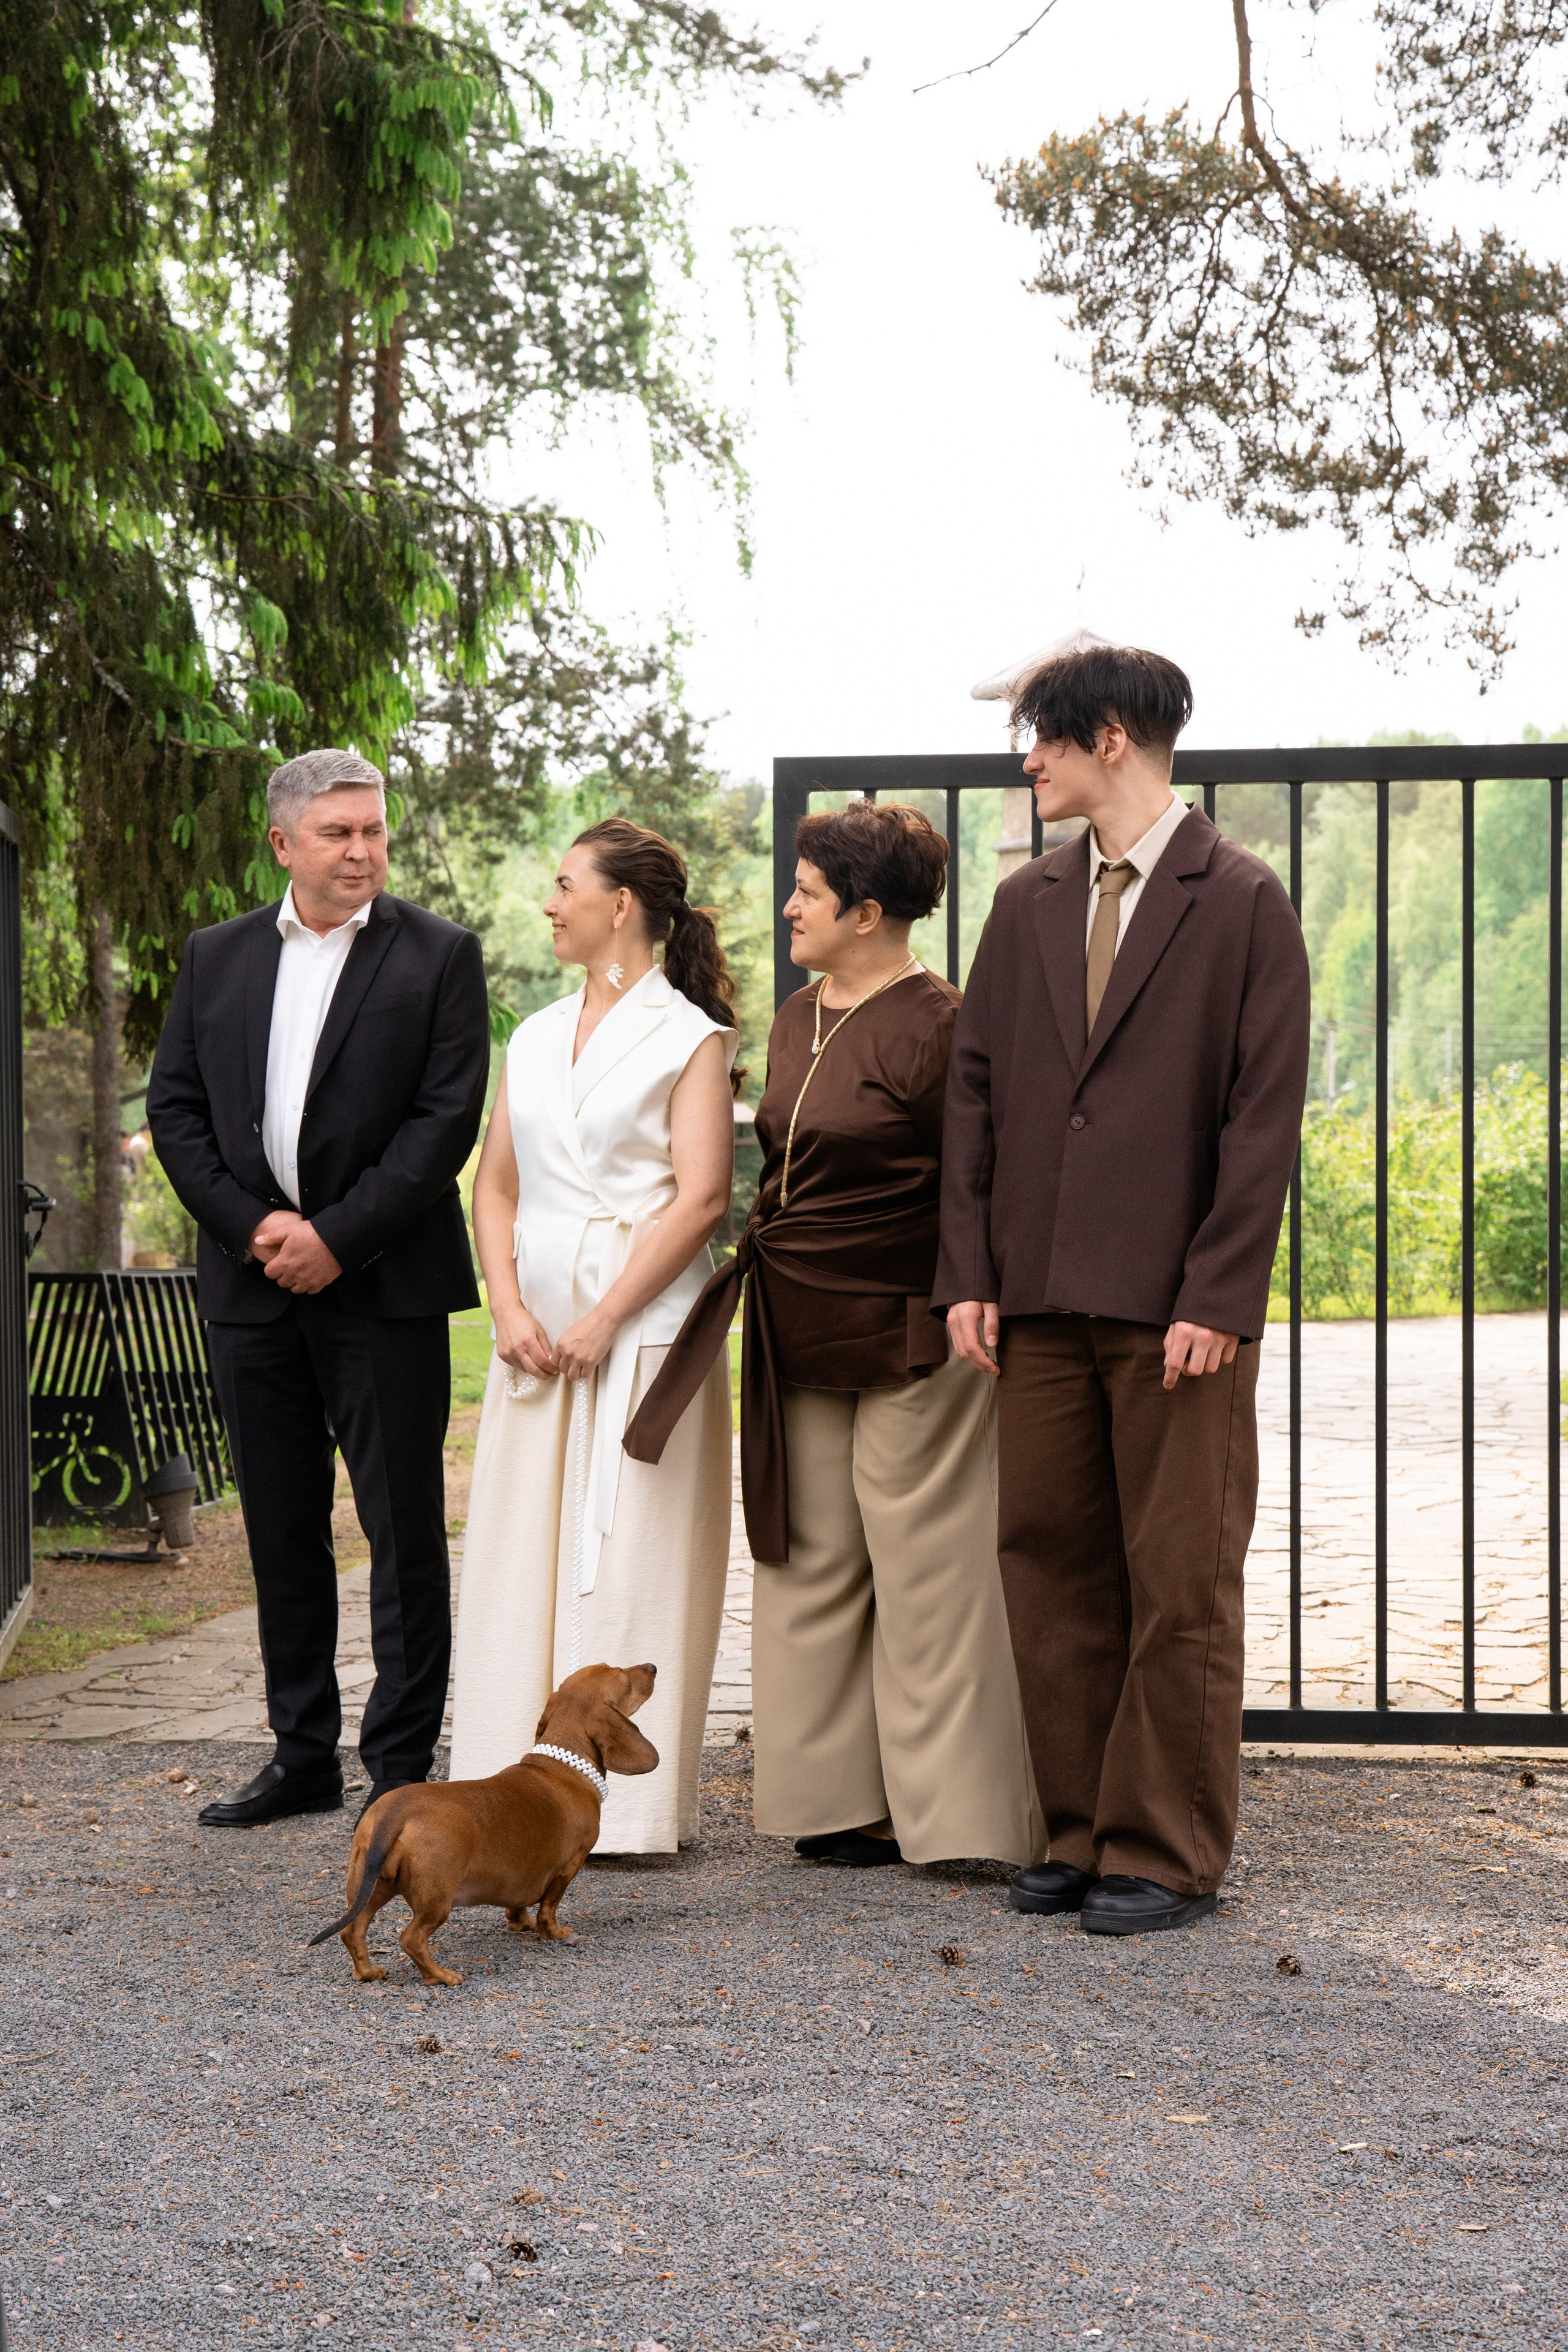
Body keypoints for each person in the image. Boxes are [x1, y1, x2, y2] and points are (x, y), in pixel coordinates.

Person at [935, 643, 1310, 1935]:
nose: (1023, 761)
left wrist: (1215, 1293)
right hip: (1033, 1296)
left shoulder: (1243, 901)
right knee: (1047, 1566)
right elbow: (973, 1097)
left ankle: (1163, 1850)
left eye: (1037, 737)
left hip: (1174, 1311)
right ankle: (1079, 1830)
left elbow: (1261, 1122)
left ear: (1106, 737)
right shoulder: (1025, 903)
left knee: (1177, 1577)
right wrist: (967, 1272)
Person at [628, 801, 1044, 1871]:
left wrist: (971, 1298)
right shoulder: (797, 1013)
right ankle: (838, 1803)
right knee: (808, 1559)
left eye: (808, 892)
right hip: (796, 1321)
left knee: (931, 1575)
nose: (789, 906)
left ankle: (957, 1822)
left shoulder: (945, 1022)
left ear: (867, 913)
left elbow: (982, 1184)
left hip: (915, 1328)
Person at [148, 749, 491, 1827]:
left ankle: (398, 1766)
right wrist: (256, 1228)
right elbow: (177, 1110)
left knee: (402, 1529)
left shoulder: (439, 956)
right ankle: (300, 1756)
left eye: (374, 831)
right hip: (254, 1289)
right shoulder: (216, 958)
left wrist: (335, 1239)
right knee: (280, 1527)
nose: (362, 851)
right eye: (339, 833)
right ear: (282, 842)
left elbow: (445, 1123)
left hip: (382, 1286)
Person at [448, 818, 737, 1855]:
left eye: (565, 884)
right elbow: (496, 1184)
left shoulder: (690, 1039)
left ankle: (634, 1809)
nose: (549, 901)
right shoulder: (528, 1036)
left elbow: (702, 1198)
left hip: (646, 1334)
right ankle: (504, 1785)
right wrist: (511, 1309)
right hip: (535, 1339)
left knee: (632, 1558)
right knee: (519, 1554)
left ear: (621, 905)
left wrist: (606, 1318)